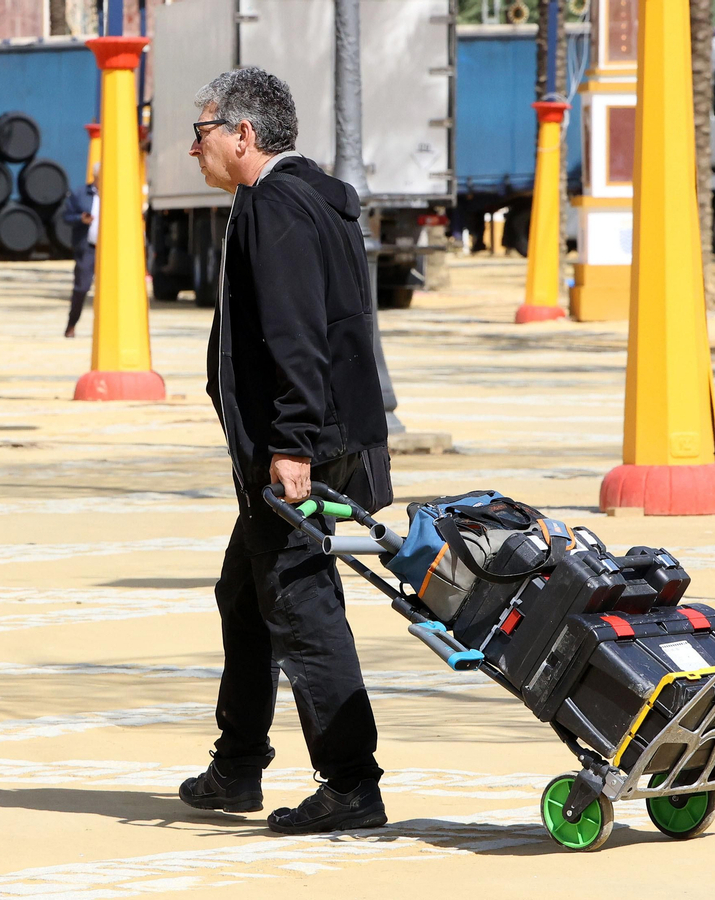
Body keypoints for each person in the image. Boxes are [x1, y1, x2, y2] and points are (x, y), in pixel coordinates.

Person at [180, 66, 393, 835]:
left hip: (301, 447)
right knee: (245, 593)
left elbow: (296, 332)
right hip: (332, 438)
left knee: (302, 606)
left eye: (201, 131)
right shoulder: (316, 199)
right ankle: (238, 765)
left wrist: (291, 442)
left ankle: (349, 783)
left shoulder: (274, 205)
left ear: (244, 134)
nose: (191, 149)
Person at [61, 171, 97, 338]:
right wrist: (80, 218)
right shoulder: (80, 193)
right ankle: (71, 324)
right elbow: (66, 216)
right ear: (96, 176)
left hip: (111, 250)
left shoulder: (118, 192)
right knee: (81, 288)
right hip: (88, 248)